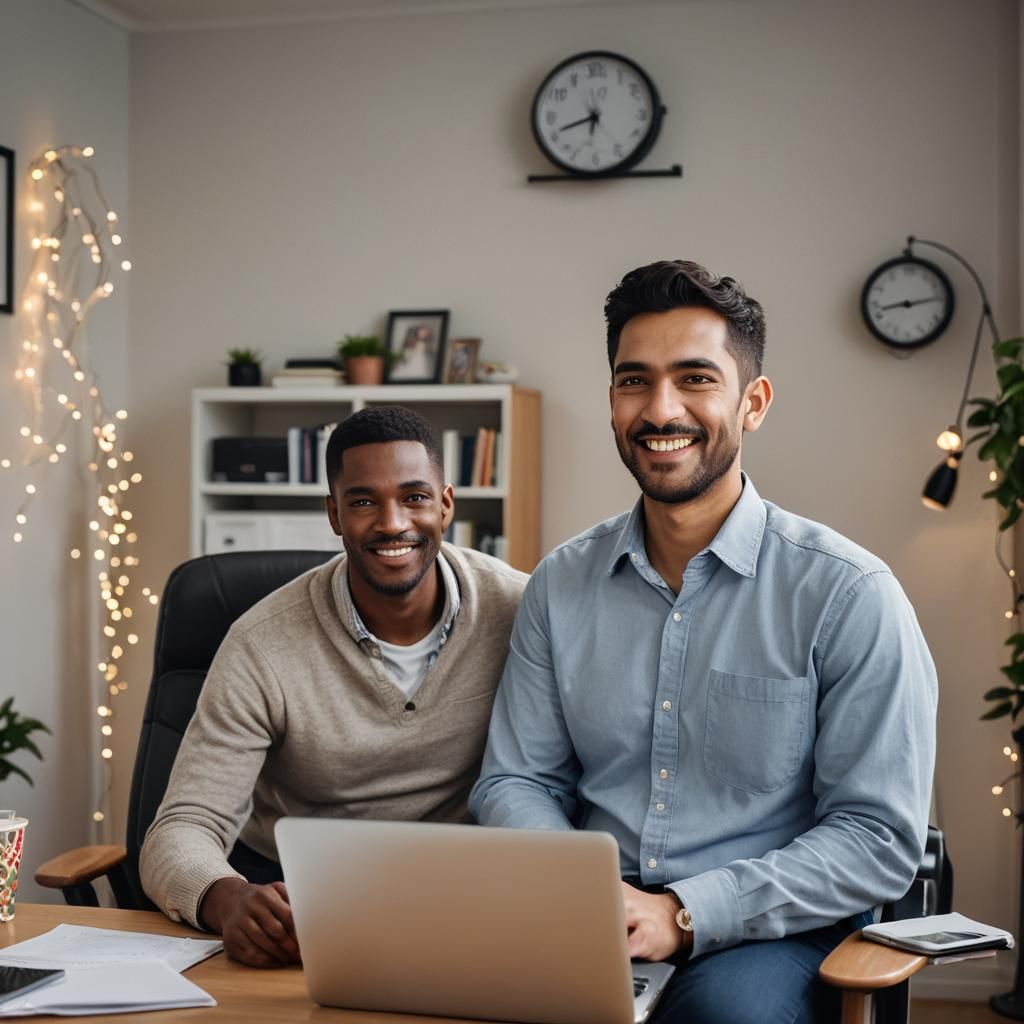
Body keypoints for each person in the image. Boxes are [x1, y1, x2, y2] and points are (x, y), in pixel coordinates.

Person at [469, 260, 937, 1023]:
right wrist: (583, 892)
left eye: (695, 379)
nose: (661, 410)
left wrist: (684, 913)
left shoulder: (849, 593)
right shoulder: (561, 583)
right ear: (613, 401)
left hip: (770, 929)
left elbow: (877, 837)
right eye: (635, 381)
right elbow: (516, 780)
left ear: (753, 403)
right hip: (595, 910)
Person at [141, 405, 527, 968]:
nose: (392, 523)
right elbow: (181, 827)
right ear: (334, 514)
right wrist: (228, 899)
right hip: (298, 900)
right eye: (364, 502)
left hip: (460, 893)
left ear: (445, 504)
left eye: (414, 497)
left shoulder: (518, 611)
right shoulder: (260, 643)